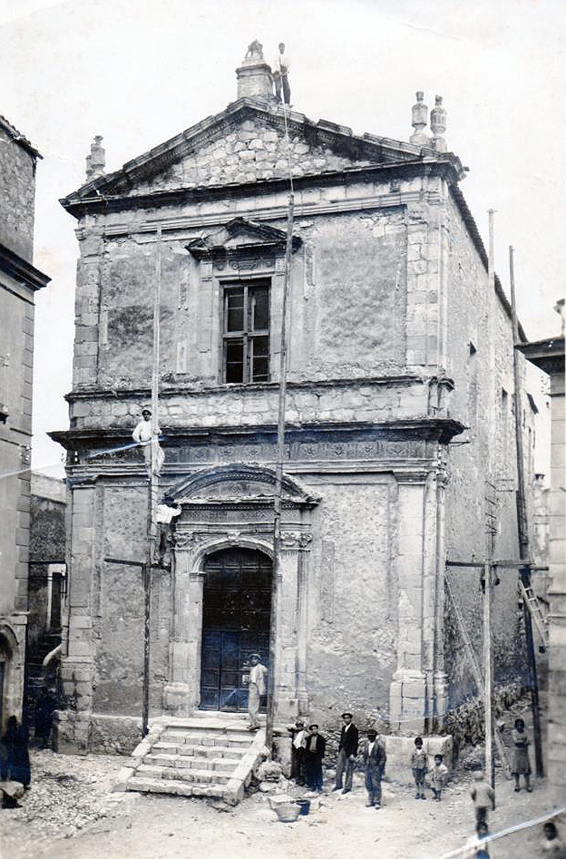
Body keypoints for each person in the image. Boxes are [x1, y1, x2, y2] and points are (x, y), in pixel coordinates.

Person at [132, 408, 164, 476]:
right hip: (146, 443)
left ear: (150, 415)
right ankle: (149, 475)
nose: (146, 416)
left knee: (160, 456)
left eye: (148, 414)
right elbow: (135, 434)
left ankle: (156, 470)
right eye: (144, 415)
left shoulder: (153, 423)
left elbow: (159, 431)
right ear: (143, 416)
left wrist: (158, 432)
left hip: (154, 443)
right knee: (148, 460)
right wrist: (139, 442)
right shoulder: (141, 424)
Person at [1, 716, 31, 789]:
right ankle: (25, 782)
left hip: (14, 752)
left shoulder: (10, 731)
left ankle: (16, 781)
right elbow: (27, 738)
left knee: (15, 767)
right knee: (24, 767)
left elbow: (4, 740)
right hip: (23, 752)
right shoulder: (23, 729)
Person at [333, 711, 359, 794]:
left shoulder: (354, 729)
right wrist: (340, 748)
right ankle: (338, 785)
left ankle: (347, 787)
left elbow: (355, 742)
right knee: (339, 767)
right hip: (342, 749)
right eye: (345, 718)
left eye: (348, 718)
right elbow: (341, 739)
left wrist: (353, 753)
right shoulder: (344, 728)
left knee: (349, 769)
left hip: (349, 751)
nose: (346, 719)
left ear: (351, 719)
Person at [362, 728, 386, 809]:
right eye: (369, 736)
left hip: (375, 767)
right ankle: (371, 800)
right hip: (368, 766)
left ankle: (377, 801)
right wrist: (365, 763)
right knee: (368, 783)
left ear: (375, 737)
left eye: (372, 736)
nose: (370, 737)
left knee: (376, 784)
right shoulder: (366, 744)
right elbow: (364, 755)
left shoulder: (379, 745)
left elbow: (383, 757)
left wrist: (379, 767)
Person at [156, 496, 181, 565]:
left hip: (166, 526)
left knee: (164, 544)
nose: (169, 502)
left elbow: (178, 512)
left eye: (171, 501)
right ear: (165, 501)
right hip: (159, 525)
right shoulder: (160, 507)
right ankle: (156, 559)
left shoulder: (172, 510)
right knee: (157, 542)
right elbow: (154, 509)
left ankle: (161, 559)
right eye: (168, 501)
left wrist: (178, 504)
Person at [245, 653, 267, 731]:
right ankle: (253, 723)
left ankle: (255, 723)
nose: (253, 660)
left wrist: (263, 688)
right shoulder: (251, 668)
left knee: (253, 707)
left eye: (255, 659)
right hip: (252, 687)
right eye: (252, 659)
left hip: (258, 688)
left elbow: (267, 673)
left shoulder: (261, 667)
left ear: (258, 660)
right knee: (251, 707)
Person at [511, 717, 532, 792]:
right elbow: (516, 741)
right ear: (516, 726)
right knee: (516, 769)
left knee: (526, 769)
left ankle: (528, 785)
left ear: (523, 725)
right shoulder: (514, 732)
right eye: (518, 725)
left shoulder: (525, 732)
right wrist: (523, 741)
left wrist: (522, 742)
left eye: (521, 725)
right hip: (517, 752)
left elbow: (529, 741)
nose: (519, 727)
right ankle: (517, 785)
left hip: (524, 752)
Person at [305, 724, 326, 792]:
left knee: (318, 770)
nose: (314, 730)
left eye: (315, 729)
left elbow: (323, 748)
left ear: (317, 730)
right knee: (310, 770)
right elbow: (307, 747)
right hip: (310, 755)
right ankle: (311, 785)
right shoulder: (308, 738)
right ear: (311, 731)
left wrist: (321, 756)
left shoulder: (321, 738)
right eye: (312, 729)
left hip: (317, 756)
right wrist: (307, 755)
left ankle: (319, 785)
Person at [288, 719, 308, 786]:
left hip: (303, 750)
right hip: (296, 750)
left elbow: (306, 742)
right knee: (297, 765)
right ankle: (297, 778)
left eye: (300, 726)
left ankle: (303, 780)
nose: (299, 727)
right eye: (298, 726)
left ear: (302, 726)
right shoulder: (294, 732)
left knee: (303, 765)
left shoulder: (305, 733)